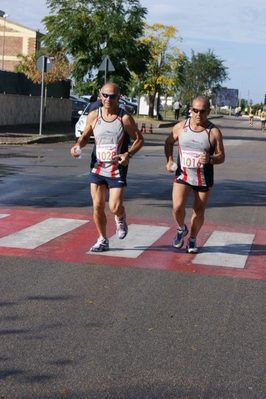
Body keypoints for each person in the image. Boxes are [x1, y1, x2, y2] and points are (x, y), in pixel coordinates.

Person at [70, 82, 144, 252]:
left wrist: (128, 154)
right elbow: (85, 135)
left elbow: (139, 139)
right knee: (97, 206)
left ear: (118, 97)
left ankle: (120, 216)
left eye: (112, 96)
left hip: (117, 168)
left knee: (114, 207)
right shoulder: (94, 115)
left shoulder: (124, 118)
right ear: (100, 96)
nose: (108, 99)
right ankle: (103, 239)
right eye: (105, 95)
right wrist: (77, 146)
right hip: (97, 167)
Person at [164, 96, 225, 253]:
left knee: (198, 211)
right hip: (183, 175)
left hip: (203, 177)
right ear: (191, 110)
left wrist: (211, 159)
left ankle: (192, 239)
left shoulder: (214, 132)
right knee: (177, 207)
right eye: (195, 110)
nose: (199, 114)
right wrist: (169, 159)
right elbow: (169, 142)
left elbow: (221, 157)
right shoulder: (180, 127)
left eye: (203, 111)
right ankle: (180, 228)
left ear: (208, 111)